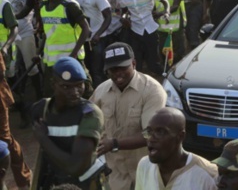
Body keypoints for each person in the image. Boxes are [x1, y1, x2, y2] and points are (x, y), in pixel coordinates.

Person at [90, 42, 167, 190]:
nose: (118, 73)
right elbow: (90, 122)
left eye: (123, 68)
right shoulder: (101, 92)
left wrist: (114, 144)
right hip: (115, 176)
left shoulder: (152, 91)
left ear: (134, 63)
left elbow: (151, 134)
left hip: (147, 173)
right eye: (113, 69)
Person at [30, 57, 105, 189]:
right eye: (66, 87)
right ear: (53, 84)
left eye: (79, 85)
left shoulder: (90, 114)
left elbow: (75, 167)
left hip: (85, 184)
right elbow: (44, 157)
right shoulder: (41, 108)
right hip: (56, 181)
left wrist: (43, 139)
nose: (75, 92)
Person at [135, 108, 218, 190]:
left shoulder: (208, 175)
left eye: (160, 132)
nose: (151, 139)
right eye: (149, 131)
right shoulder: (145, 165)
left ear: (180, 136)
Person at [37, 0, 91, 93]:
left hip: (71, 59)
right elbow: (47, 31)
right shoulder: (43, 5)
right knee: (51, 92)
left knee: (81, 91)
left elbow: (86, 29)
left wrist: (74, 53)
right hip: (51, 60)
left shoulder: (69, 5)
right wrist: (39, 52)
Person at [0, 0, 31, 189]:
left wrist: (5, 47)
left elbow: (14, 28)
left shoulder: (3, 4)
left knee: (4, 141)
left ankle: (23, 180)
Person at [118, 0, 169, 77]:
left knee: (153, 64)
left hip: (150, 29)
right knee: (137, 64)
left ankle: (166, 77)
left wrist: (165, 12)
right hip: (135, 30)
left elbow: (164, 1)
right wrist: (123, 18)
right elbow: (124, 11)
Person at [71, 0, 112, 88]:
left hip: (96, 40)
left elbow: (108, 16)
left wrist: (98, 34)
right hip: (82, 38)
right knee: (85, 69)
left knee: (97, 70)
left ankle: (101, 95)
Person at [153, 0, 186, 64]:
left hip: (176, 26)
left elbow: (176, 6)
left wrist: (160, 13)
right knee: (163, 52)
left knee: (177, 54)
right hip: (161, 26)